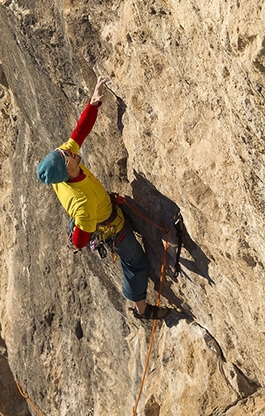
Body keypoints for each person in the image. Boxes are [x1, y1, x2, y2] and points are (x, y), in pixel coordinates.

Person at [37, 76, 169, 321]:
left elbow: (80, 131)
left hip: (95, 214)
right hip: (108, 226)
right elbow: (78, 241)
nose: (70, 150)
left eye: (65, 151)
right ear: (67, 169)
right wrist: (82, 226)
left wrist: (93, 103)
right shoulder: (82, 204)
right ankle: (142, 309)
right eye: (67, 155)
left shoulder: (65, 168)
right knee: (135, 261)